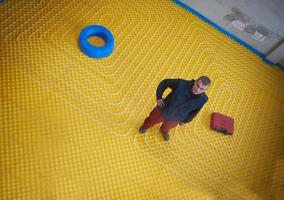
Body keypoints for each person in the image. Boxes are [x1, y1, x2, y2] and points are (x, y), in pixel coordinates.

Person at [139, 76, 211, 141]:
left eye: (202, 89)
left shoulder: (203, 99)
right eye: (197, 85)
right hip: (163, 110)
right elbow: (164, 83)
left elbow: (195, 111)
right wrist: (159, 97)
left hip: (176, 119)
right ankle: (145, 126)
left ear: (205, 90)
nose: (198, 90)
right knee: (152, 120)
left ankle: (164, 131)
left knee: (167, 127)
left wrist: (185, 121)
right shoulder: (181, 84)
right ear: (195, 81)